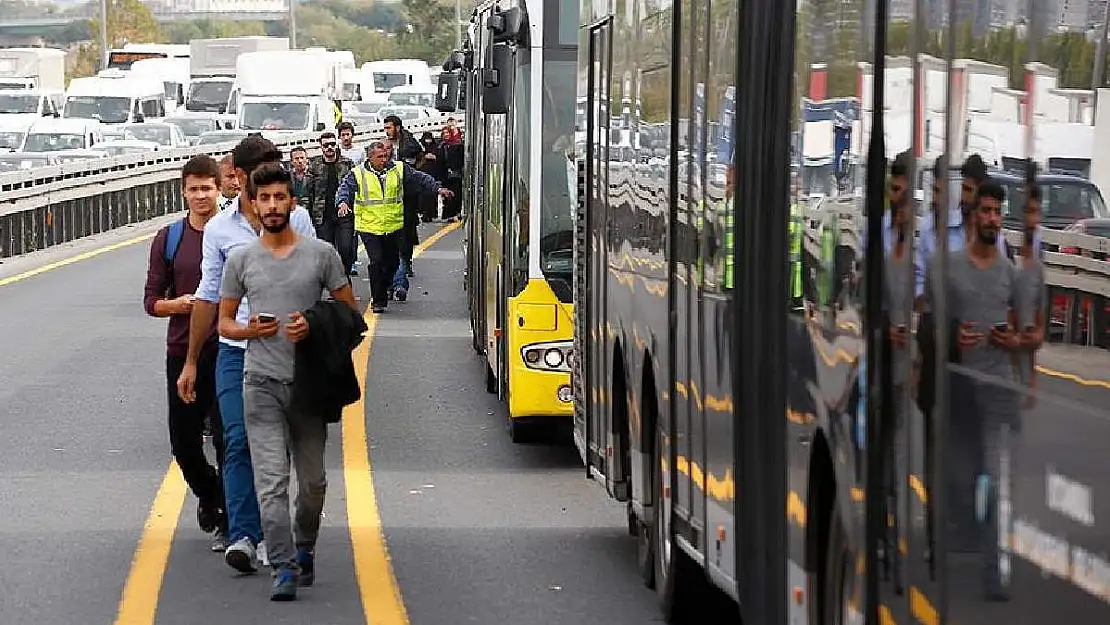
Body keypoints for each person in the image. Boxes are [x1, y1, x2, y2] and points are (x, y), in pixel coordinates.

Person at [218, 162, 358, 601]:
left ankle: (304, 545)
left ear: (291, 202)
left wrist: (313, 326)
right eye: (265, 199)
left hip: (308, 387)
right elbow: (223, 322)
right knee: (271, 483)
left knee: (313, 483)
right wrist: (249, 331)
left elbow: (352, 317)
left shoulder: (321, 255)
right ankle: (282, 565)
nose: (273, 206)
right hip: (259, 383)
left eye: (280, 198)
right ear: (254, 205)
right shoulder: (241, 259)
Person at [178, 136, 318, 575]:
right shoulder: (220, 231)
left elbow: (319, 283)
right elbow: (206, 297)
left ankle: (277, 531)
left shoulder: (300, 221)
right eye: (258, 174)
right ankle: (243, 534)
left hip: (289, 353)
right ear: (237, 178)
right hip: (237, 351)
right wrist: (192, 360)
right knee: (236, 441)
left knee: (278, 449)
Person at [927, 177, 1020, 600]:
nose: (992, 219)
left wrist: (1013, 341)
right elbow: (928, 326)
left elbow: (1029, 332)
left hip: (997, 391)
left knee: (994, 483)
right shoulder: (949, 268)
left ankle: (992, 570)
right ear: (973, 218)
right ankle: (944, 546)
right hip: (961, 391)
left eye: (998, 212)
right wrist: (951, 337)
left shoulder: (1010, 274)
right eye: (985, 211)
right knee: (961, 479)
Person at [143, 155, 229, 552]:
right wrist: (182, 305)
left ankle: (232, 514)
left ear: (219, 189)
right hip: (183, 351)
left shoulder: (234, 233)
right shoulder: (170, 238)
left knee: (230, 439)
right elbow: (151, 302)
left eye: (206, 188)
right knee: (184, 442)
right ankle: (209, 491)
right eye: (193, 189)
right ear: (183, 191)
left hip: (229, 348)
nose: (200, 196)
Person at [336, 140, 453, 312]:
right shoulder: (357, 173)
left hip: (393, 225)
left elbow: (420, 178)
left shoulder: (398, 169)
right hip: (369, 227)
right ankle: (378, 300)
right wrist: (342, 203)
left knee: (393, 262)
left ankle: (387, 284)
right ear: (370, 158)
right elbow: (344, 189)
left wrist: (437, 189)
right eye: (380, 157)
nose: (384, 160)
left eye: (386, 156)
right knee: (376, 261)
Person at [306, 132, 356, 279]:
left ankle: (344, 278)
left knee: (346, 249)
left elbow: (355, 187)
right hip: (322, 216)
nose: (329, 148)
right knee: (326, 252)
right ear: (321, 147)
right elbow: (309, 192)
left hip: (344, 214)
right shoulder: (314, 166)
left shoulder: (347, 164)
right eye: (326, 145)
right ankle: (332, 283)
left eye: (332, 144)